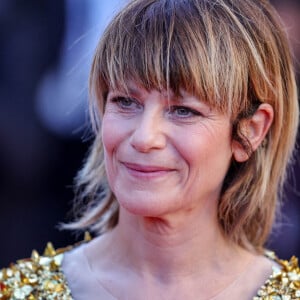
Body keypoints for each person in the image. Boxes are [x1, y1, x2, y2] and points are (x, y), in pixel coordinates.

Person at [1, 0, 299, 299]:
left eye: (183, 110)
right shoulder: (20, 291)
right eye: (125, 102)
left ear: (251, 130)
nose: (144, 137)